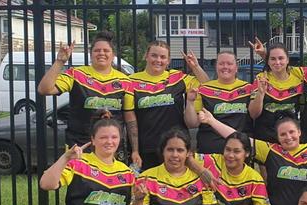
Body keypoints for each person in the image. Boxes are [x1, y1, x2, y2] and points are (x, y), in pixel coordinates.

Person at [38, 31, 132, 147]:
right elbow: (44, 89)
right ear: (91, 54)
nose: (101, 53)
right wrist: (60, 61)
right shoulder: (76, 74)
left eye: (106, 50)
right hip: (79, 146)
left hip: (111, 147)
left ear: (113, 55)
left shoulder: (125, 81)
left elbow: (130, 117)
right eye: (97, 50)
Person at [125, 41, 209, 169]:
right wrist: (135, 150)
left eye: (163, 57)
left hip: (176, 147)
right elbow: (130, 118)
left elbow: (207, 85)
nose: (158, 60)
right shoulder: (131, 81)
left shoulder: (177, 77)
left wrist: (195, 67)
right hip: (147, 148)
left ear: (168, 61)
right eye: (154, 55)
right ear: (146, 56)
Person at [184, 51, 254, 154]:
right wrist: (189, 102)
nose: (225, 67)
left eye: (229, 64)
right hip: (210, 149)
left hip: (239, 149)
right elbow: (192, 123)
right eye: (221, 63)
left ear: (236, 67)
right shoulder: (204, 89)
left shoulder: (248, 89)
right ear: (216, 66)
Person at [248, 43, 303, 143]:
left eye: (281, 58)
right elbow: (253, 114)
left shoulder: (299, 80)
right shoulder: (261, 78)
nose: (277, 62)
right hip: (265, 137)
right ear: (267, 61)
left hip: (289, 138)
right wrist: (260, 93)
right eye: (273, 59)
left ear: (287, 60)